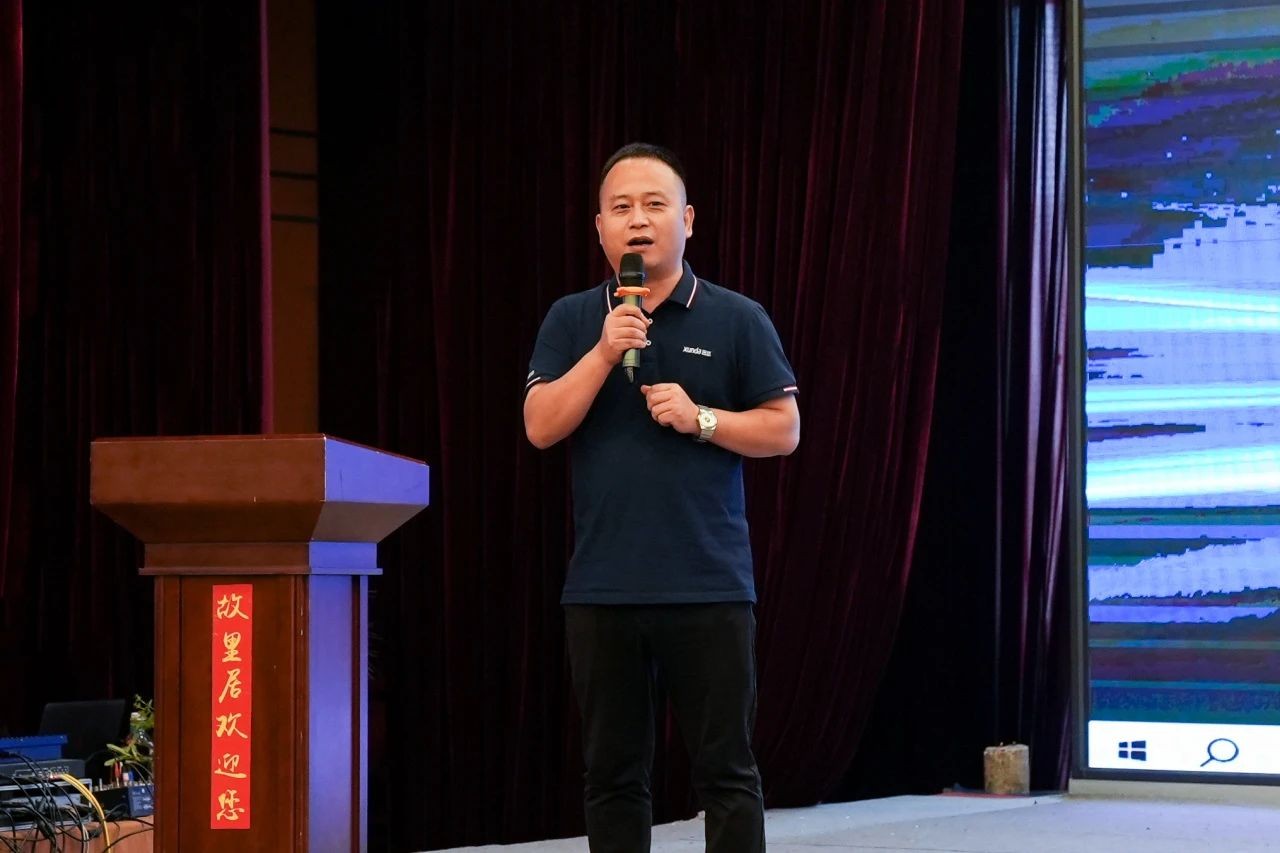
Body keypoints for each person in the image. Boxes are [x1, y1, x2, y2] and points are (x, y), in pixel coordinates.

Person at [523, 142, 800, 852]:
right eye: (621, 208)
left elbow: (784, 429)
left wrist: (702, 418)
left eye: (654, 205)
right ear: (600, 228)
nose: (638, 221)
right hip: (603, 586)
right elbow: (540, 426)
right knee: (612, 776)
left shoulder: (737, 317)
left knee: (726, 774)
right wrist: (603, 351)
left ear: (688, 219)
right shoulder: (572, 319)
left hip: (707, 583)